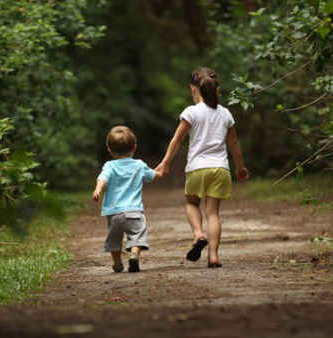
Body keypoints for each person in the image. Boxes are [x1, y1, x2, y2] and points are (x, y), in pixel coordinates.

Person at [155, 67, 249, 268]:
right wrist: (240, 167)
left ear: (193, 89)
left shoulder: (191, 112)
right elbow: (234, 143)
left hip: (197, 168)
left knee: (191, 203)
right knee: (213, 213)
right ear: (217, 90)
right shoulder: (225, 114)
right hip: (221, 169)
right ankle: (213, 256)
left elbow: (177, 139)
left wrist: (165, 163)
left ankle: (198, 234)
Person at [92, 126, 162, 273]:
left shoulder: (109, 165)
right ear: (134, 147)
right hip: (134, 210)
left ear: (109, 149)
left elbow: (103, 178)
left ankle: (117, 262)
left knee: (114, 239)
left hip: (114, 212)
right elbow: (152, 176)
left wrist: (98, 189)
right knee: (137, 234)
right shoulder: (139, 165)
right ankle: (134, 253)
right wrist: (160, 172)